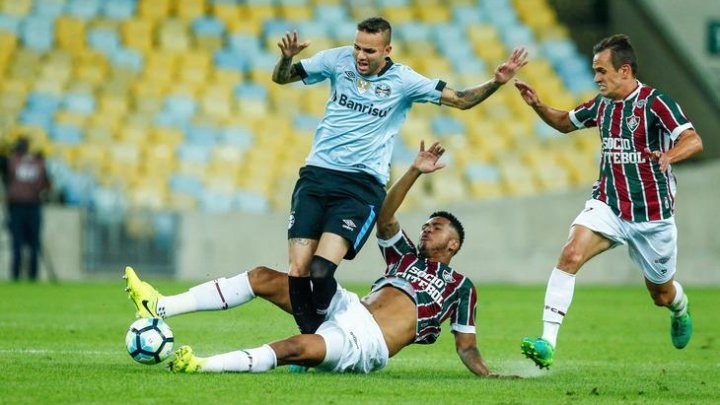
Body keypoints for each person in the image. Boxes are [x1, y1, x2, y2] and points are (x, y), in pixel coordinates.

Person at [125, 141, 516, 377]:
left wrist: (489, 374)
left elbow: (465, 344)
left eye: (440, 226)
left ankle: (201, 364)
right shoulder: (405, 258)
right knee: (263, 276)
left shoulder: (462, 287)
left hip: (367, 342)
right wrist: (414, 170)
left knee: (294, 347)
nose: (430, 228)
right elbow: (385, 217)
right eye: (429, 223)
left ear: (454, 245)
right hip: (347, 306)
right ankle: (159, 305)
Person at [271, 16, 528, 335]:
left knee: (321, 271)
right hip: (316, 175)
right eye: (357, 48)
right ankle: (314, 340)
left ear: (387, 49)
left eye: (369, 50)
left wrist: (496, 83)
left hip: (361, 185)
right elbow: (281, 79)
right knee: (298, 270)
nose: (360, 56)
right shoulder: (337, 60)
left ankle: (320, 340)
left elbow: (461, 100)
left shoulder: (404, 80)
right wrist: (286, 58)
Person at [513, 34, 703, 369]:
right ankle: (547, 342)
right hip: (609, 205)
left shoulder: (655, 103)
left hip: (652, 217)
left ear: (625, 70)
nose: (596, 78)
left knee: (660, 294)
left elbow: (693, 139)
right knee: (571, 254)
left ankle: (680, 308)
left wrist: (668, 156)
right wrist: (538, 105)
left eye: (602, 71)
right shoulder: (602, 106)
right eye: (594, 71)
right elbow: (564, 122)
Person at [1, 137, 51, 281]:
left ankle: (17, 275)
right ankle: (31, 276)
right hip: (32, 206)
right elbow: (47, 184)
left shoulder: (11, 161)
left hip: (18, 207)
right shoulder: (39, 162)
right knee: (32, 244)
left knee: (18, 243)